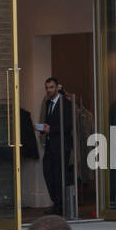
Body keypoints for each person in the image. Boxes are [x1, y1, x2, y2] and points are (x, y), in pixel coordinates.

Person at [38, 78, 73, 216]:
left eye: (51, 87)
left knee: (59, 176)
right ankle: (56, 203)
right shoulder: (48, 103)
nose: (49, 90)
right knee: (48, 173)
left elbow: (68, 125)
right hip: (50, 145)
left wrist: (51, 129)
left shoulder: (66, 103)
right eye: (47, 87)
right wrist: (42, 128)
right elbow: (49, 121)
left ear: (57, 87)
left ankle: (59, 206)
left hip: (61, 146)